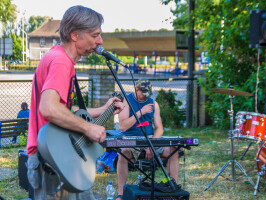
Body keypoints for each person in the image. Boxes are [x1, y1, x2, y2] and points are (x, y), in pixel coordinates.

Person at [26, 5, 124, 200]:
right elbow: (48, 107)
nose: (100, 41)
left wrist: (103, 110)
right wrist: (88, 128)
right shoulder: (61, 62)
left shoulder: (59, 58)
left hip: (57, 157)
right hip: (54, 161)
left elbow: (64, 109)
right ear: (75, 35)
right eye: (95, 35)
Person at [116, 80, 179, 200]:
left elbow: (159, 128)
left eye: (148, 94)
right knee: (123, 152)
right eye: (143, 94)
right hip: (131, 139)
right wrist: (141, 112)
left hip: (150, 139)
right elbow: (123, 126)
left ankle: (173, 189)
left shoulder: (153, 103)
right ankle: (121, 193)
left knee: (173, 150)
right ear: (136, 90)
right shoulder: (126, 101)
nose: (146, 97)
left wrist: (152, 144)